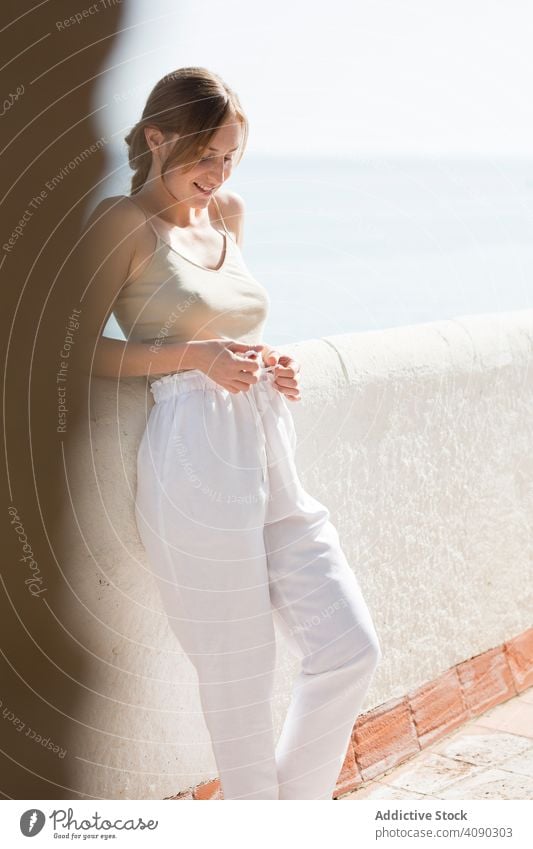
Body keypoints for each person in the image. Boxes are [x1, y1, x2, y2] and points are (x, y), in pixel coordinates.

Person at [80, 67, 382, 800]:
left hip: (268, 444)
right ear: (157, 138)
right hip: (190, 456)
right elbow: (72, 348)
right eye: (205, 155)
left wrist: (269, 361)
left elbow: (230, 320)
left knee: (348, 647)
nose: (217, 173)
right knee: (238, 682)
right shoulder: (123, 226)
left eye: (230, 158)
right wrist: (193, 358)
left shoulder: (228, 214)